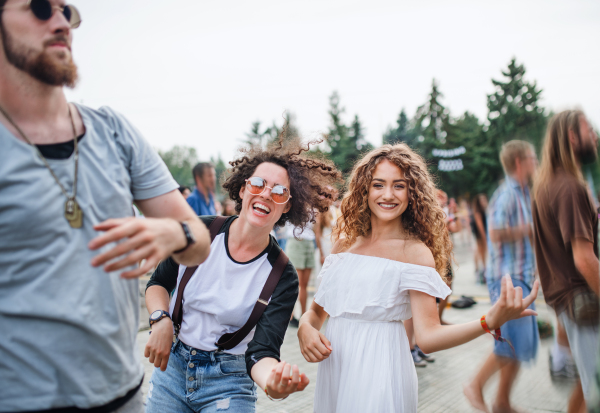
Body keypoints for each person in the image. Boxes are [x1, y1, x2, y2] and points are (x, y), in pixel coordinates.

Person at [0, 2, 211, 411]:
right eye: (41, 8)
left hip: (123, 394)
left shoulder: (114, 130)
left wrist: (172, 232)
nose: (61, 22)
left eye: (67, 12)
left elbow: (199, 241)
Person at [297, 143, 539, 412]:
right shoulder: (344, 244)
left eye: (399, 185)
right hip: (335, 371)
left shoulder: (415, 253)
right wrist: (305, 327)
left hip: (382, 374)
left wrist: (488, 320)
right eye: (378, 184)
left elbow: (428, 337)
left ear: (412, 192)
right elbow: (318, 312)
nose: (388, 194)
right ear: (364, 189)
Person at [143, 140, 341, 412]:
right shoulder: (200, 230)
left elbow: (262, 352)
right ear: (242, 188)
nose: (267, 194)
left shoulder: (282, 276)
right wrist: (160, 319)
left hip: (230, 381)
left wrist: (274, 381)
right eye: (258, 183)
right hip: (172, 369)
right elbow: (159, 284)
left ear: (287, 207)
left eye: (280, 191)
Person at [531, 110, 599, 413]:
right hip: (585, 300)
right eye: (589, 130)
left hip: (570, 302)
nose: (595, 136)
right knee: (594, 388)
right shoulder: (570, 187)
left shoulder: (548, 184)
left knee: (588, 387)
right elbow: (584, 260)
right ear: (573, 136)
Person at [464, 140, 539, 413]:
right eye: (532, 157)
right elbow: (495, 234)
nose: (536, 162)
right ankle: (475, 385)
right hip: (508, 278)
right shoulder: (506, 194)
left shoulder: (524, 193)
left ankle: (502, 401)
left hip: (522, 276)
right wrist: (528, 229)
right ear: (519, 162)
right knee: (510, 342)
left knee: (520, 345)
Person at [471, 194, 489, 284]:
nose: (483, 201)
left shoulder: (482, 210)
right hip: (479, 236)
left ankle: (482, 271)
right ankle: (480, 271)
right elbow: (480, 227)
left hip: (480, 236)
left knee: (482, 253)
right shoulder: (478, 212)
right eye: (481, 200)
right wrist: (484, 238)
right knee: (480, 253)